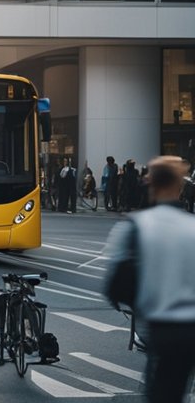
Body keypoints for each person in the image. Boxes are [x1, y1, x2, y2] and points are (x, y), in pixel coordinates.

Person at [102, 156, 195, 403]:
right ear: (180, 185)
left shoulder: (136, 226)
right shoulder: (192, 226)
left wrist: (137, 303)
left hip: (162, 326)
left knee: (162, 392)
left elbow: (116, 287)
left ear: (150, 183)